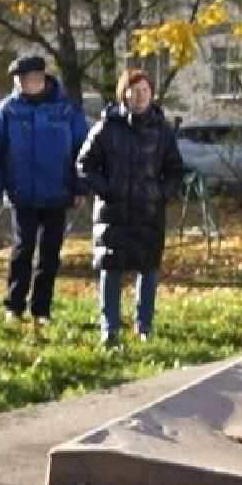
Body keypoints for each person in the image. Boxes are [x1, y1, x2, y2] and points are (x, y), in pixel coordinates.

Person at [76, 70, 187, 346]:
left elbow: (175, 170)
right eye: (134, 91)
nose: (140, 97)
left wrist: (160, 193)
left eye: (145, 91)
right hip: (112, 213)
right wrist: (107, 189)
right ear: (123, 94)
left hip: (148, 212)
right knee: (110, 271)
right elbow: (84, 164)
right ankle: (109, 329)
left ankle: (144, 326)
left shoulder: (161, 131)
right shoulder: (106, 128)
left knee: (148, 270)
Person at [0, 55, 88, 323]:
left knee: (50, 253)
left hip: (57, 192)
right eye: (17, 79)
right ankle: (13, 306)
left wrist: (80, 188)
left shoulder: (66, 110)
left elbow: (82, 151)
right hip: (22, 193)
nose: (19, 83)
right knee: (22, 249)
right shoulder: (6, 110)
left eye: (23, 78)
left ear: (39, 78)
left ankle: (42, 309)